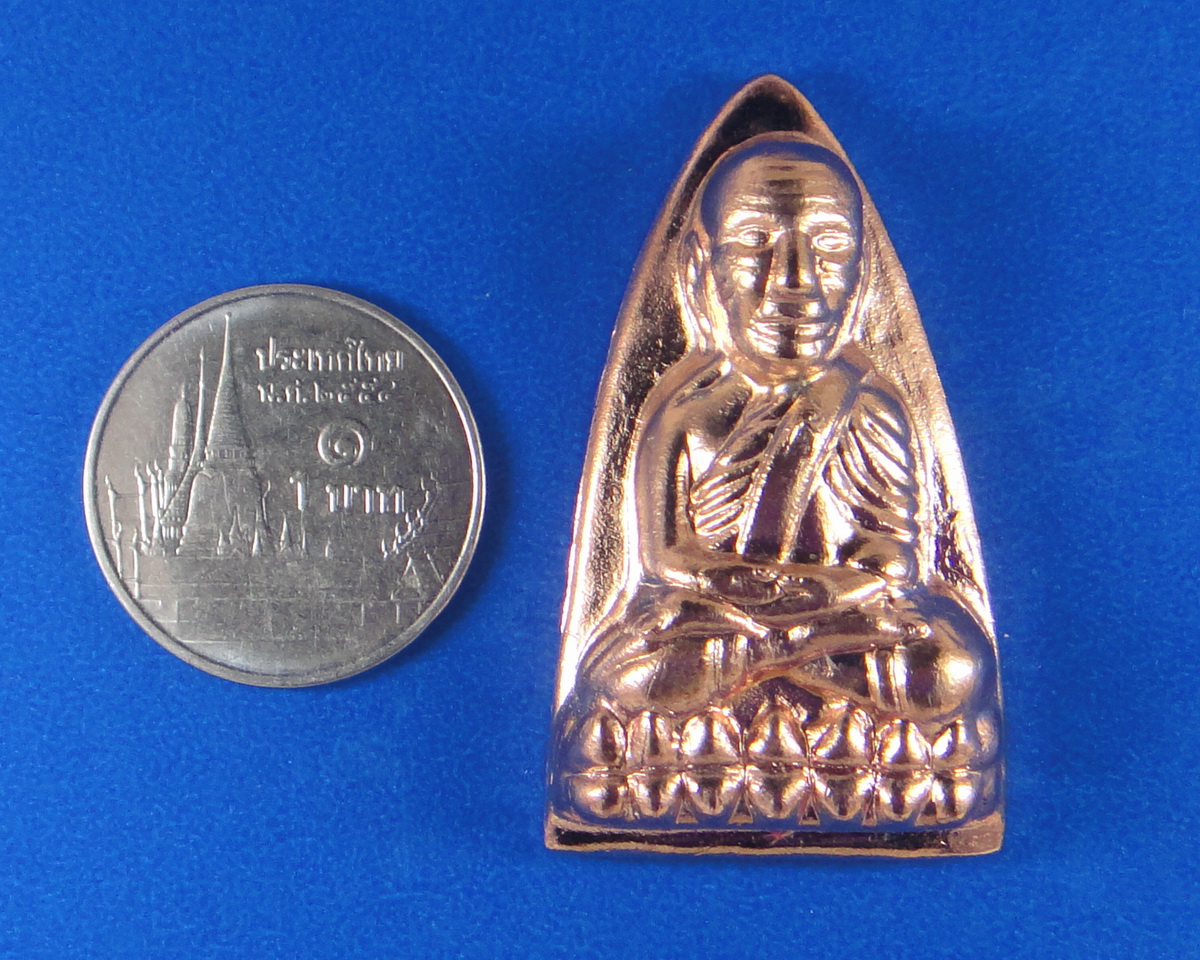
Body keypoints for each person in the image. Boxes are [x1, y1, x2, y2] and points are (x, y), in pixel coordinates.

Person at [574, 136, 995, 732]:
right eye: (754, 243)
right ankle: (790, 663)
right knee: (622, 670)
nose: (794, 281)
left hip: (834, 619)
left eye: (829, 246)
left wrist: (820, 594)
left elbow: (894, 559)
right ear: (701, 268)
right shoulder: (685, 412)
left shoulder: (865, 402)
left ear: (861, 273)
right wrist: (737, 586)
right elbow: (666, 560)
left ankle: (767, 664)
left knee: (953, 665)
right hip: (726, 617)